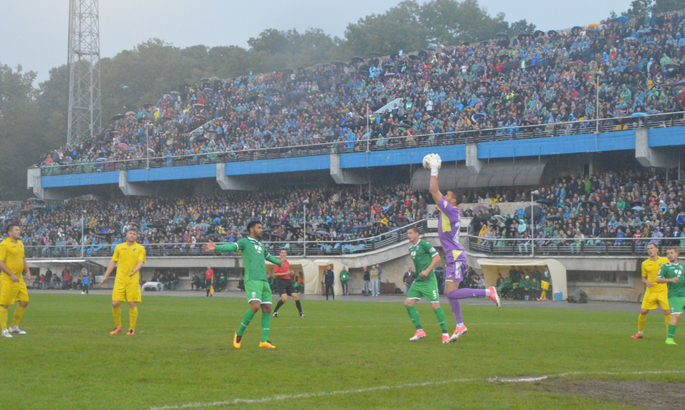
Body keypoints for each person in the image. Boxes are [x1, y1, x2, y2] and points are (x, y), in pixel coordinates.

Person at [423, 153, 500, 343]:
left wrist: (434, 169)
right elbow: (436, 193)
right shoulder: (449, 209)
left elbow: (433, 190)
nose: (444, 196)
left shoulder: (450, 209)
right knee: (450, 293)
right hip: (454, 255)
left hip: (455, 256)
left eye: (447, 195)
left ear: (453, 201)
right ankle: (459, 325)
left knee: (450, 292)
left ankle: (488, 292)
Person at [204, 220, 283, 349]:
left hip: (263, 280)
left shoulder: (260, 244)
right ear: (252, 230)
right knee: (256, 305)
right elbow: (232, 247)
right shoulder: (244, 242)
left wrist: (280, 263)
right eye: (259, 228)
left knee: (267, 307)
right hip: (252, 279)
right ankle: (239, 333)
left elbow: (268, 256)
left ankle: (264, 341)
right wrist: (216, 247)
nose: (261, 230)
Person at [404, 226, 449, 343]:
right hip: (419, 281)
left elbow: (437, 257)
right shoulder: (411, 249)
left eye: (410, 233)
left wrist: (427, 270)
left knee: (435, 306)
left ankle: (445, 334)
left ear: (417, 234)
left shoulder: (425, 244)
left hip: (429, 280)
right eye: (407, 233)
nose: (408, 235)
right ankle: (419, 331)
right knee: (408, 303)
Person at [99, 226, 146, 336]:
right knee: (115, 303)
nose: (132, 235)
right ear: (126, 235)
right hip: (120, 279)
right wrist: (105, 276)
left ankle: (131, 329)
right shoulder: (119, 247)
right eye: (130, 233)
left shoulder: (140, 248)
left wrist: (136, 269)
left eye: (134, 234)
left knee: (132, 303)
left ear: (137, 236)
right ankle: (118, 327)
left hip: (132, 280)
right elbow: (112, 262)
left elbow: (140, 261)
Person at [632, 242, 671, 340]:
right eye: (648, 249)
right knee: (643, 311)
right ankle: (640, 333)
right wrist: (646, 282)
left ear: (657, 249)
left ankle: (669, 335)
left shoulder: (665, 261)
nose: (650, 250)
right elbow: (643, 278)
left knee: (667, 312)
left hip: (663, 290)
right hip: (651, 291)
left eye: (652, 248)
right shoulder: (645, 263)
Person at [0, 223, 31, 338]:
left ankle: (13, 327)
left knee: (24, 302)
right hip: (8, 279)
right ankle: (4, 330)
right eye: (16, 230)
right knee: (4, 304)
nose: (19, 231)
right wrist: (11, 274)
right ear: (10, 233)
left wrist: (27, 271)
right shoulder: (4, 245)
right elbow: (0, 262)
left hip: (19, 278)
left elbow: (23, 258)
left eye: (19, 230)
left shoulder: (20, 243)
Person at [656, 247, 685, 345]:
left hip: (684, 294)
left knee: (676, 316)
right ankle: (669, 339)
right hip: (674, 295)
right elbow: (658, 279)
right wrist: (670, 280)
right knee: (676, 316)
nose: (670, 255)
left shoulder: (682, 266)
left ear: (677, 254)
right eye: (668, 253)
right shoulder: (665, 267)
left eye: (672, 253)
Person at [272, 250, 304, 318]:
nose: (284, 254)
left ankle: (301, 314)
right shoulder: (277, 263)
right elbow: (275, 274)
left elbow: (287, 271)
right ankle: (275, 311)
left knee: (295, 296)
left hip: (288, 281)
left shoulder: (287, 262)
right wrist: (284, 273)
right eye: (282, 253)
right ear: (280, 254)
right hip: (281, 281)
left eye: (285, 253)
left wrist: (291, 272)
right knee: (284, 299)